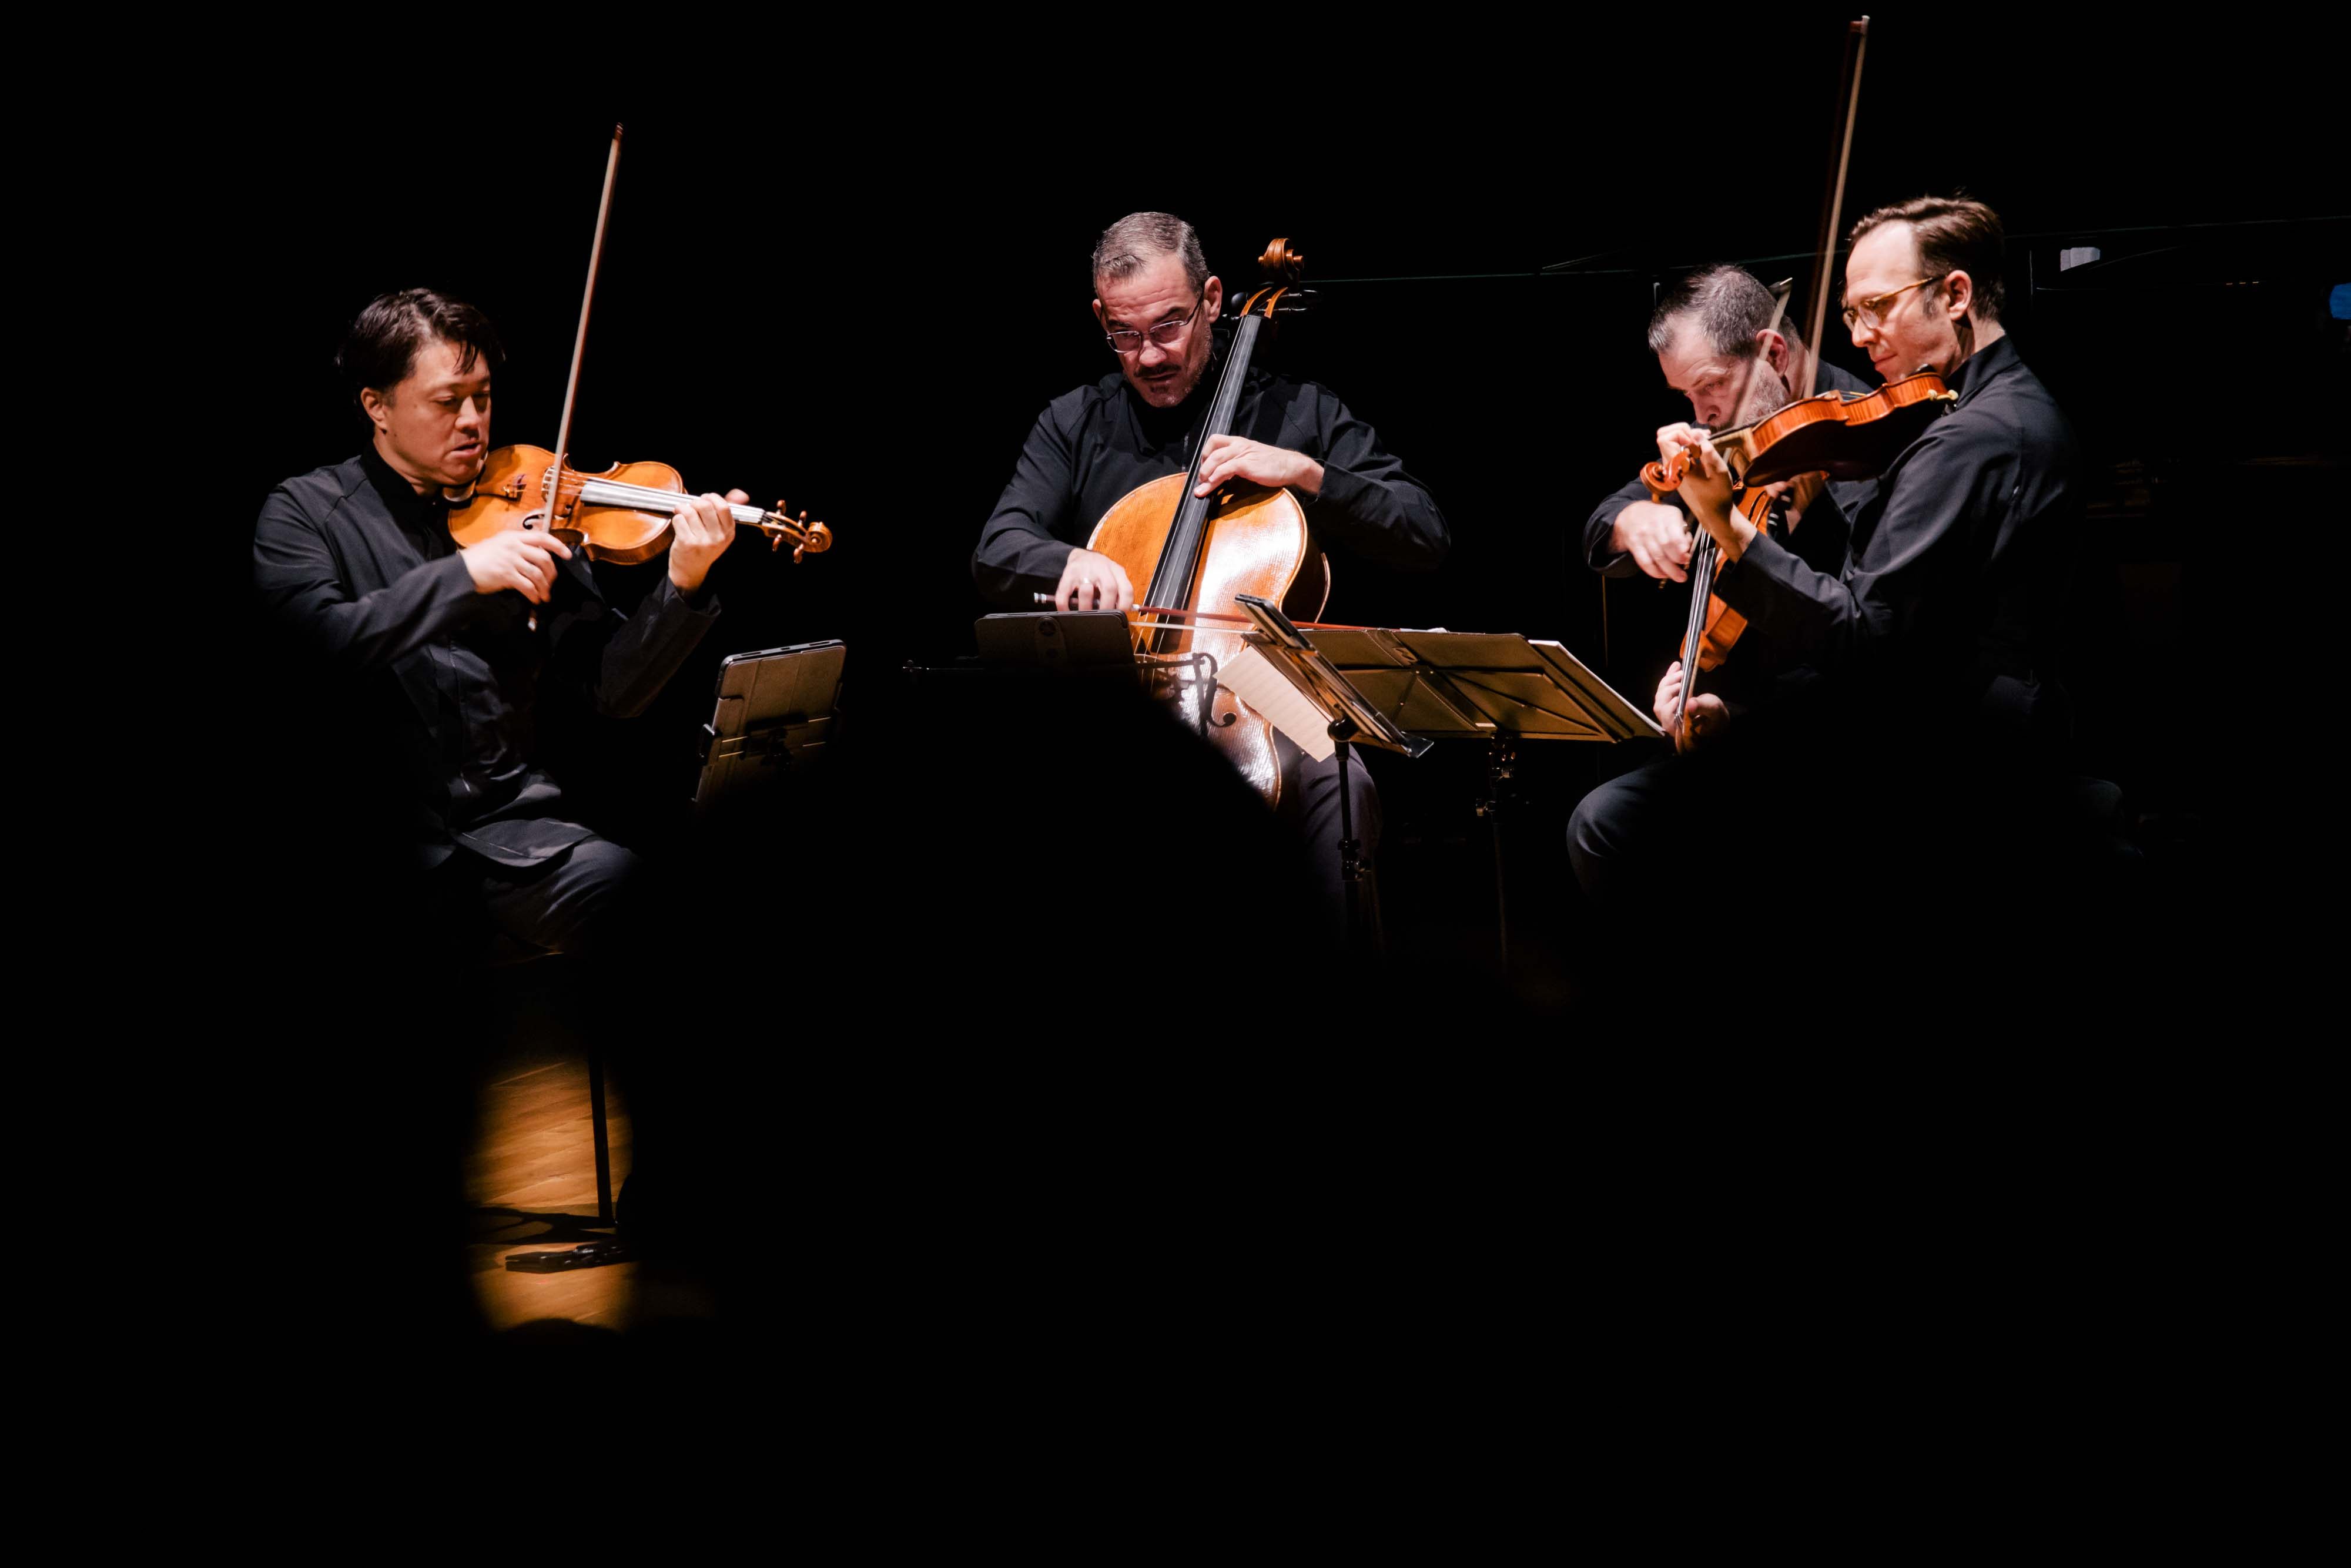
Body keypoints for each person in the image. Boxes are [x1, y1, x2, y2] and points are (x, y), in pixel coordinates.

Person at [1568, 196, 2079, 926]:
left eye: (1877, 307)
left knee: (1615, 822)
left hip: (1941, 747)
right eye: (1850, 312)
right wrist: (1638, 515)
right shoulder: (1960, 413)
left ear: (1955, 295)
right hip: (1896, 715)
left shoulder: (1956, 435)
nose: (1862, 334)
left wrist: (1723, 522)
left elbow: (1865, 639)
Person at [972, 212, 1451, 937]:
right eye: (1124, 334)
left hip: (1262, 689)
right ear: (1101, 316)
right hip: (1123, 691)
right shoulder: (1075, 422)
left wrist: (1311, 475)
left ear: (1214, 299)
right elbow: (997, 545)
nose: (1149, 354)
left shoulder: (1300, 411)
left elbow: (1423, 533)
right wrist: (1069, 558)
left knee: (1339, 785)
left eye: (1168, 326)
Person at [252, 287, 745, 958]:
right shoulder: (307, 512)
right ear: (377, 407)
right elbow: (317, 646)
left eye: (482, 397)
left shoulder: (526, 505)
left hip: (517, 846)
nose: (473, 421)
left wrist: (682, 581)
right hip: (371, 851)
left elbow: (614, 690)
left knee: (670, 916)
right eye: (447, 401)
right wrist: (464, 577)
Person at [1579, 263, 1876, 741]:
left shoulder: (1864, 450)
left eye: (1711, 385)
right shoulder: (1729, 435)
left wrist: (1740, 717)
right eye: (1686, 395)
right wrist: (1633, 519)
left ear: (1774, 353)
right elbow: (1601, 524)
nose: (1700, 417)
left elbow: (1866, 646)